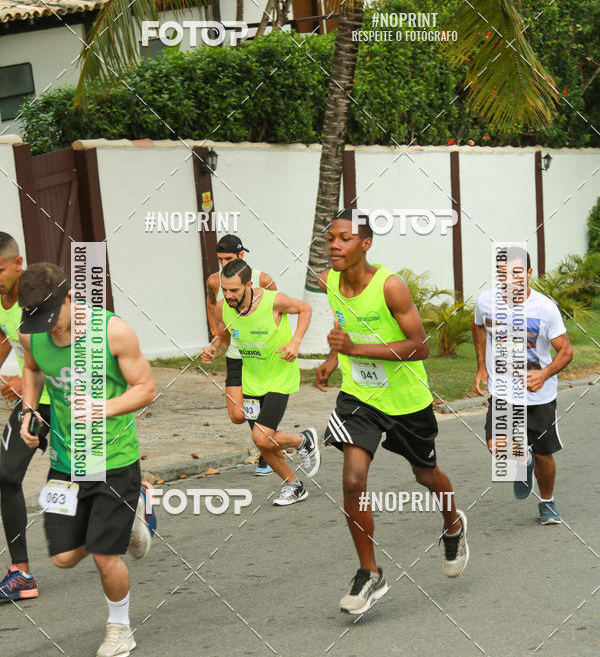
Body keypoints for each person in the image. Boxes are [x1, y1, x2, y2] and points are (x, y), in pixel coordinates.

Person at [315, 209, 469, 616]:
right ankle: (369, 572)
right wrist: (334, 357)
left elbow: (420, 346)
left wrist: (354, 350)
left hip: (406, 401)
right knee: (352, 479)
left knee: (425, 475)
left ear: (366, 244)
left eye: (344, 238)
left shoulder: (391, 287)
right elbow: (343, 323)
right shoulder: (329, 280)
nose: (334, 244)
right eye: (331, 237)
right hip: (360, 396)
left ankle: (452, 523)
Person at [18, 263, 156, 657]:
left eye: (51, 317)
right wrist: (31, 412)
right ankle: (129, 520)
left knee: (102, 554)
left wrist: (101, 408)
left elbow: (146, 388)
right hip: (66, 460)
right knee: (62, 558)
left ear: (70, 298)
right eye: (37, 320)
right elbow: (32, 371)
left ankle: (120, 629)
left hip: (113, 457)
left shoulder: (113, 331)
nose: (48, 329)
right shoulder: (33, 336)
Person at [202, 259, 320, 504]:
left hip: (279, 377)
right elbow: (223, 340)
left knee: (260, 438)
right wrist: (213, 349)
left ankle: (302, 440)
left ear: (249, 284)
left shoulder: (272, 301)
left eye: (234, 290)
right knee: (265, 443)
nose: (229, 295)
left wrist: (296, 341)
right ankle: (294, 485)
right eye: (224, 290)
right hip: (252, 380)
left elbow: (305, 309)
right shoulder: (223, 307)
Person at [473, 249, 573, 524]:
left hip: (539, 395)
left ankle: (548, 502)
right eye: (503, 273)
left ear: (529, 274)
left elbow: (566, 351)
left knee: (543, 455)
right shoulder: (486, 301)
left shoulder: (545, 308)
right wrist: (481, 365)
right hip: (503, 391)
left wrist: (545, 373)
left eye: (516, 273)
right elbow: (478, 326)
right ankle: (522, 461)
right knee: (497, 446)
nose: (509, 280)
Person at [0, 233, 50, 601]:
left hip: (69, 395)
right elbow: (6, 340)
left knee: (88, 480)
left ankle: (134, 495)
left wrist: (26, 375)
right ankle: (22, 574)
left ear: (18, 264)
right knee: (4, 473)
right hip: (33, 401)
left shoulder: (43, 294)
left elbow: (69, 348)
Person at [206, 234, 277, 476]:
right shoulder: (215, 282)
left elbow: (278, 311)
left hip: (261, 354)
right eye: (220, 259)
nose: (224, 264)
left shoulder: (262, 279)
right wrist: (216, 336)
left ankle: (265, 450)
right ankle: (268, 441)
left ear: (241, 256)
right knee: (238, 413)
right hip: (236, 353)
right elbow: (212, 306)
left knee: (257, 402)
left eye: (229, 258)